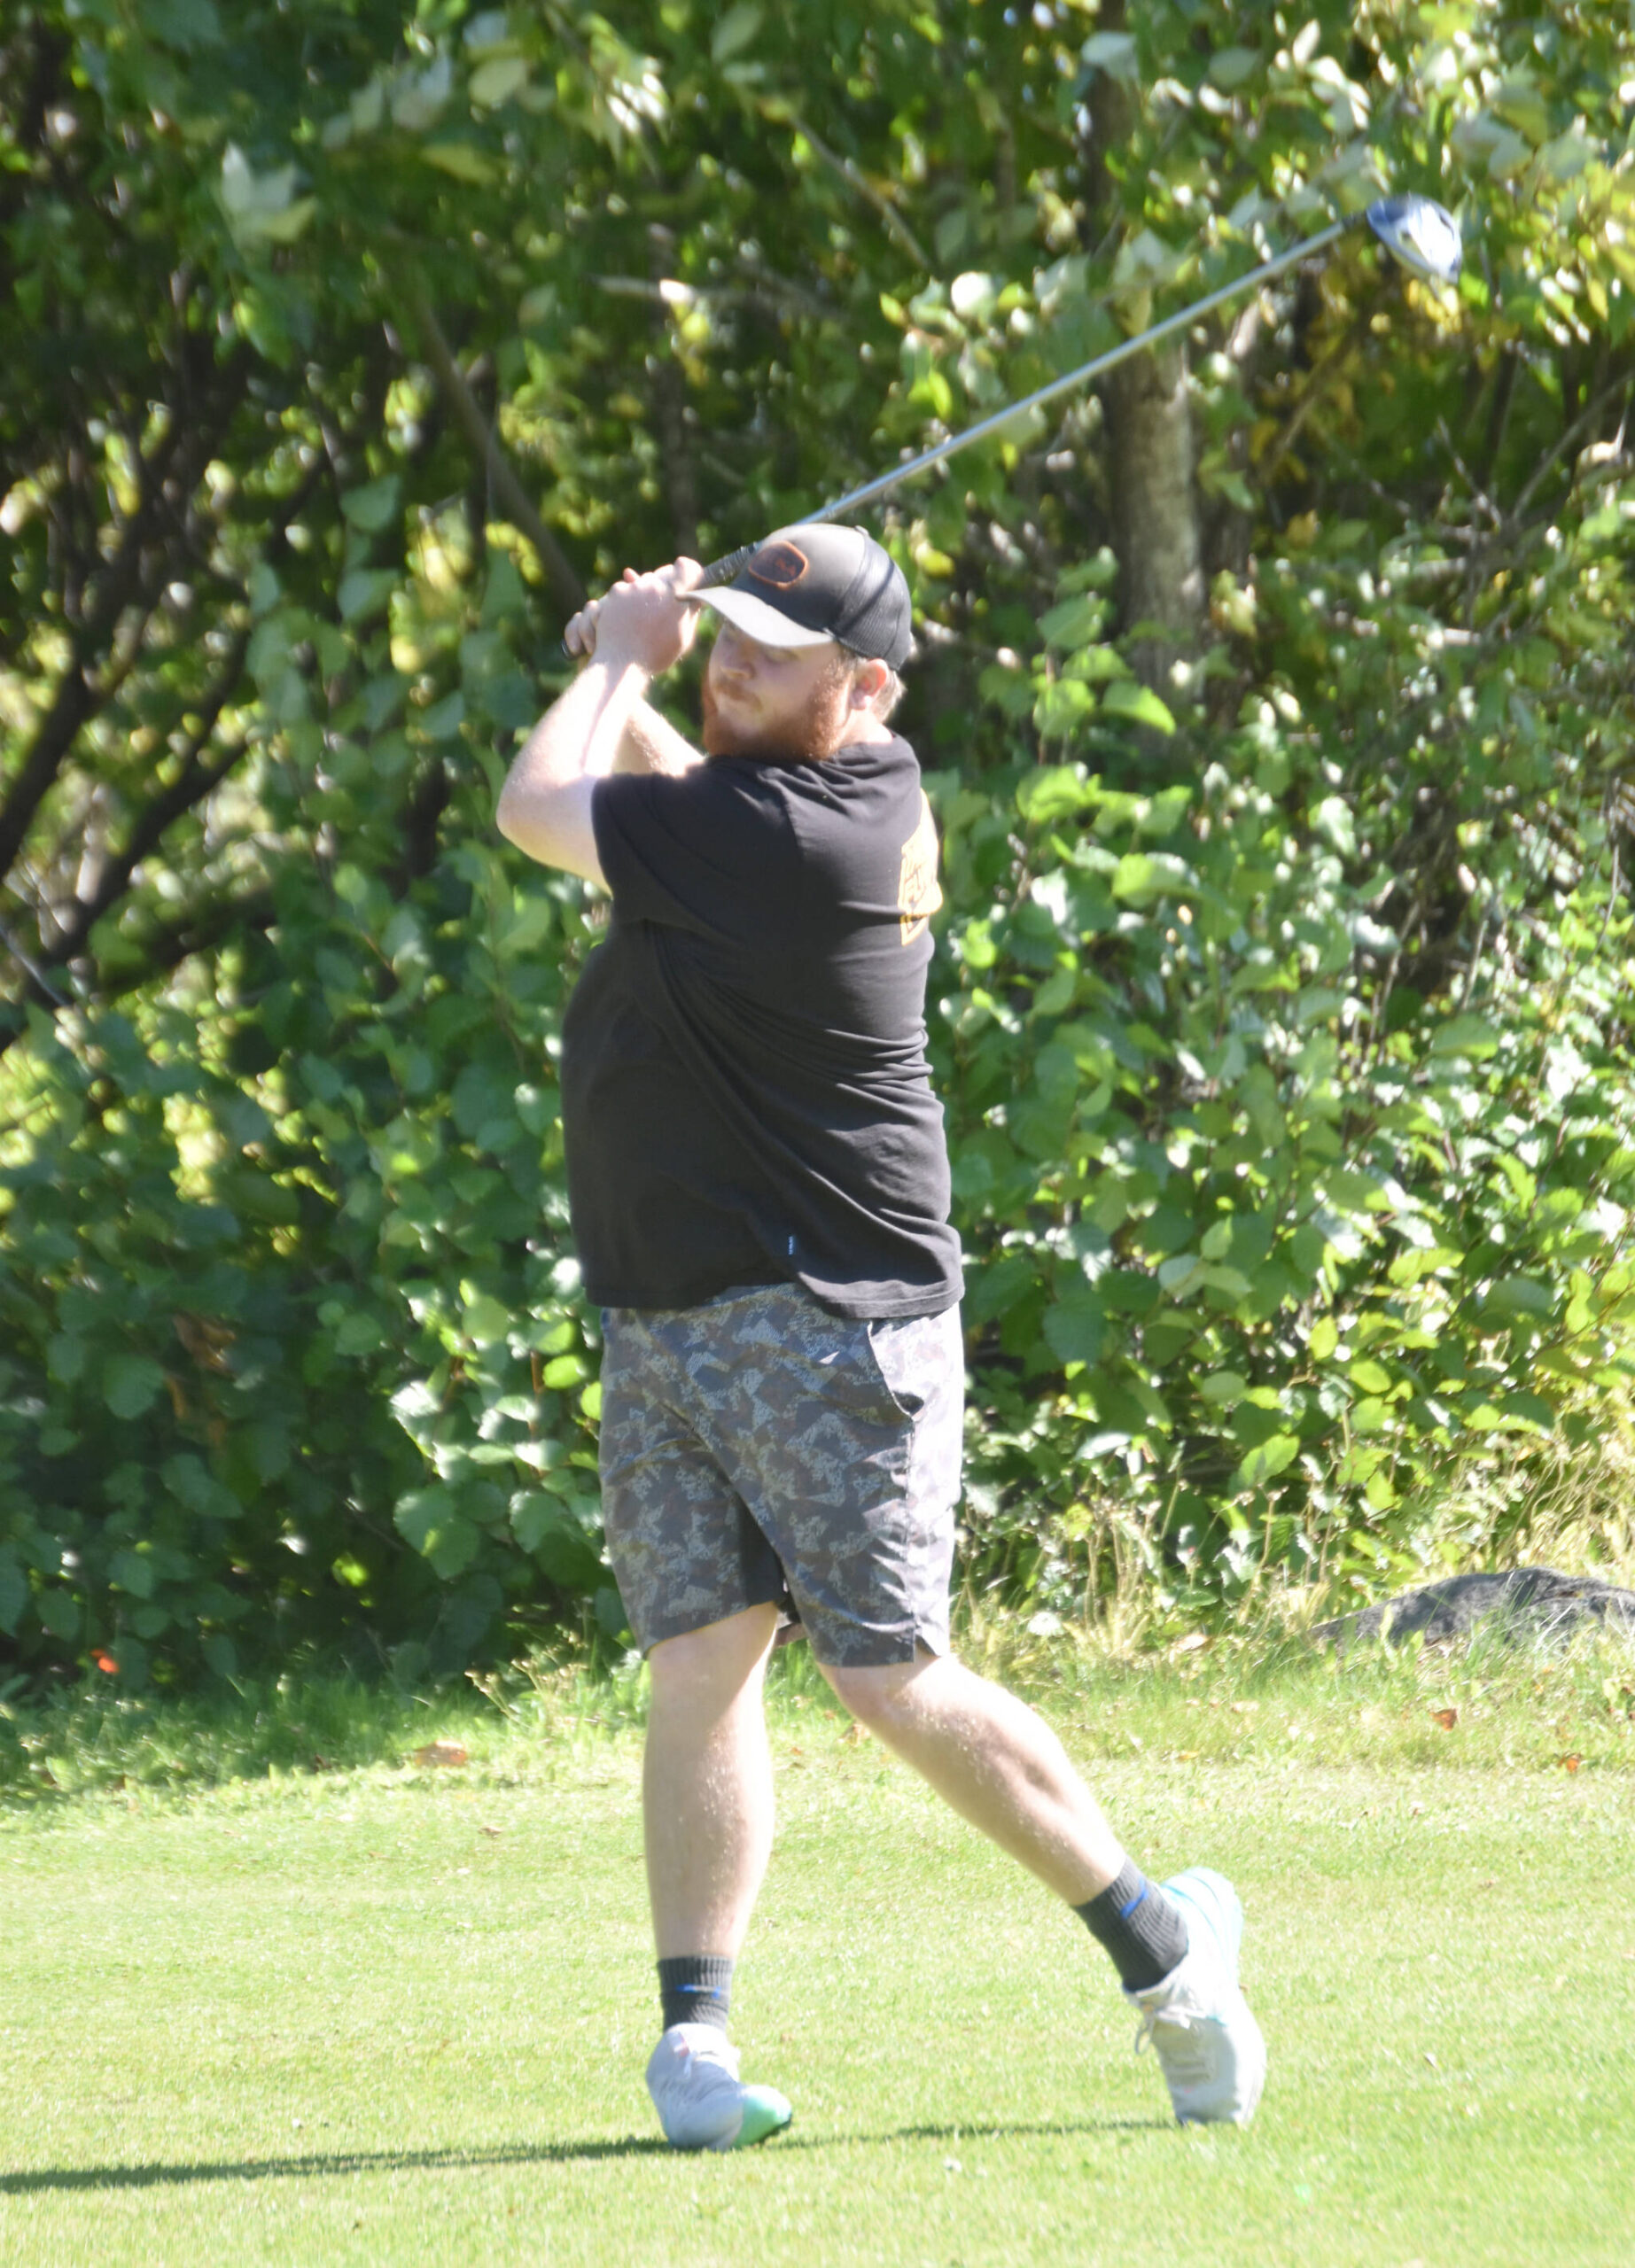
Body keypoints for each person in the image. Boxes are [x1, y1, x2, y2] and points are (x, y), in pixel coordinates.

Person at [496, 524, 1265, 2151]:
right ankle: (693, 2053)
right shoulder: (781, 794)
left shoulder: (808, 833)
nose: (731, 669)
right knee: (699, 1665)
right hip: (673, 1308)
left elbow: (538, 811)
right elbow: (660, 793)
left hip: (828, 1312)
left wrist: (614, 656)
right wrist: (632, 669)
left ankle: (1169, 1959)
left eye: (772, 654)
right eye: (724, 639)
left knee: (886, 1678)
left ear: (868, 686)